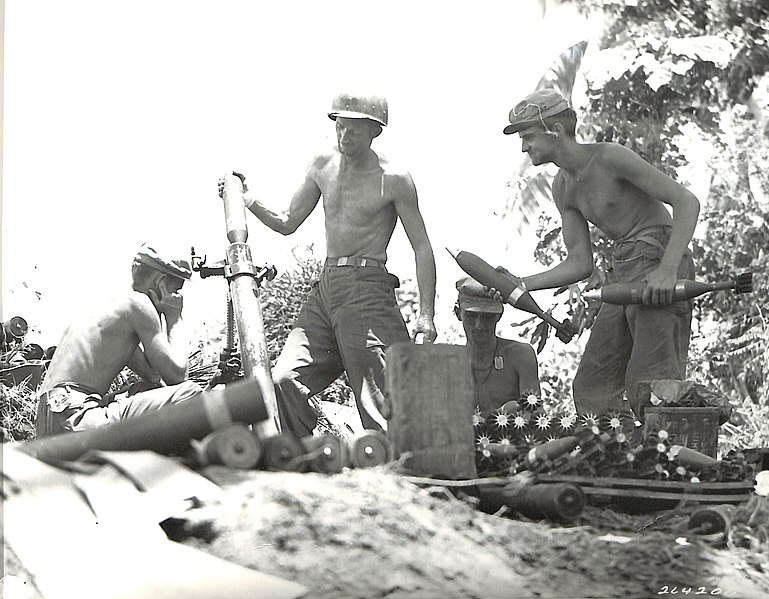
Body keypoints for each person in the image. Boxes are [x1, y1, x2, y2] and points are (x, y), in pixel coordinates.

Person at [224, 93, 437, 436]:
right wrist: (248, 199)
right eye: (340, 127)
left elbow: (422, 248)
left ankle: (400, 478)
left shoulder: (394, 179)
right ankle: (302, 463)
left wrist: (426, 315)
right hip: (327, 287)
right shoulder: (322, 164)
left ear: (374, 132)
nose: (344, 136)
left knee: (379, 402)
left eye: (354, 130)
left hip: (366, 289)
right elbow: (286, 221)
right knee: (283, 381)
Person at [495, 88, 700, 424]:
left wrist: (668, 270)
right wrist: (521, 283)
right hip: (623, 270)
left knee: (652, 384)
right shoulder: (563, 188)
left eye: (529, 136)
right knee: (592, 387)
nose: (523, 146)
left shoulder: (609, 158)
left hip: (658, 256)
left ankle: (664, 463)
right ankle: (624, 457)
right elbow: (580, 263)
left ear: (556, 131)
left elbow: (686, 202)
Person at [35, 244, 202, 437]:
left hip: (52, 415)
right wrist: (174, 318)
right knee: (190, 394)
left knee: (148, 389)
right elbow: (178, 377)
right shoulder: (139, 304)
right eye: (176, 289)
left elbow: (153, 375)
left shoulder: (112, 306)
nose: (178, 296)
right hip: (76, 416)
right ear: (161, 282)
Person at [455, 277, 540, 418]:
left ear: (499, 315)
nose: (479, 325)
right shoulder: (450, 364)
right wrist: (498, 415)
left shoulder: (520, 355)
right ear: (459, 313)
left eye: (487, 317)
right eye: (471, 315)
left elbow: (534, 413)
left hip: (513, 438)